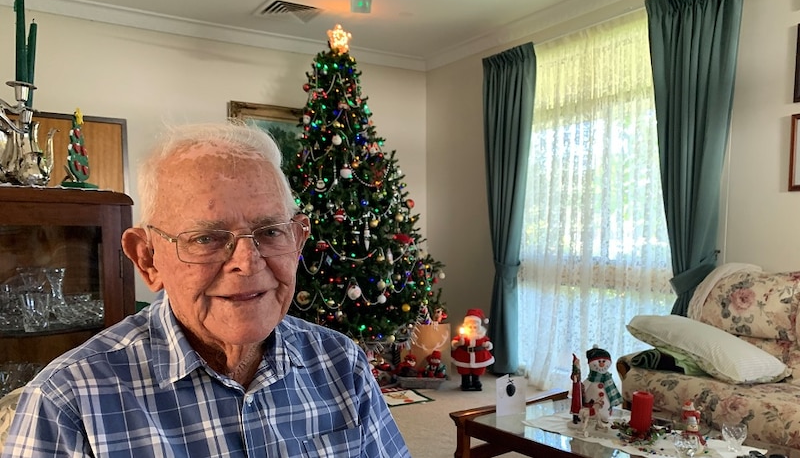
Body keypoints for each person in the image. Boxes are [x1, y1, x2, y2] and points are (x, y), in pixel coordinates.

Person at [2, 121, 410, 456]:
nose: (248, 262)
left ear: (298, 239)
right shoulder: (67, 402)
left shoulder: (341, 364)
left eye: (269, 231)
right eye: (206, 239)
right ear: (147, 258)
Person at [450, 308, 494, 391]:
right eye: (470, 327)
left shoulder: (481, 336)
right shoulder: (462, 336)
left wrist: (487, 345)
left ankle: (475, 381)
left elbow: (487, 341)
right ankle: (465, 382)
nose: (472, 329)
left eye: (475, 327)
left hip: (478, 356)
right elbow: (454, 342)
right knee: (464, 370)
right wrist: (459, 343)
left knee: (477, 370)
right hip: (464, 356)